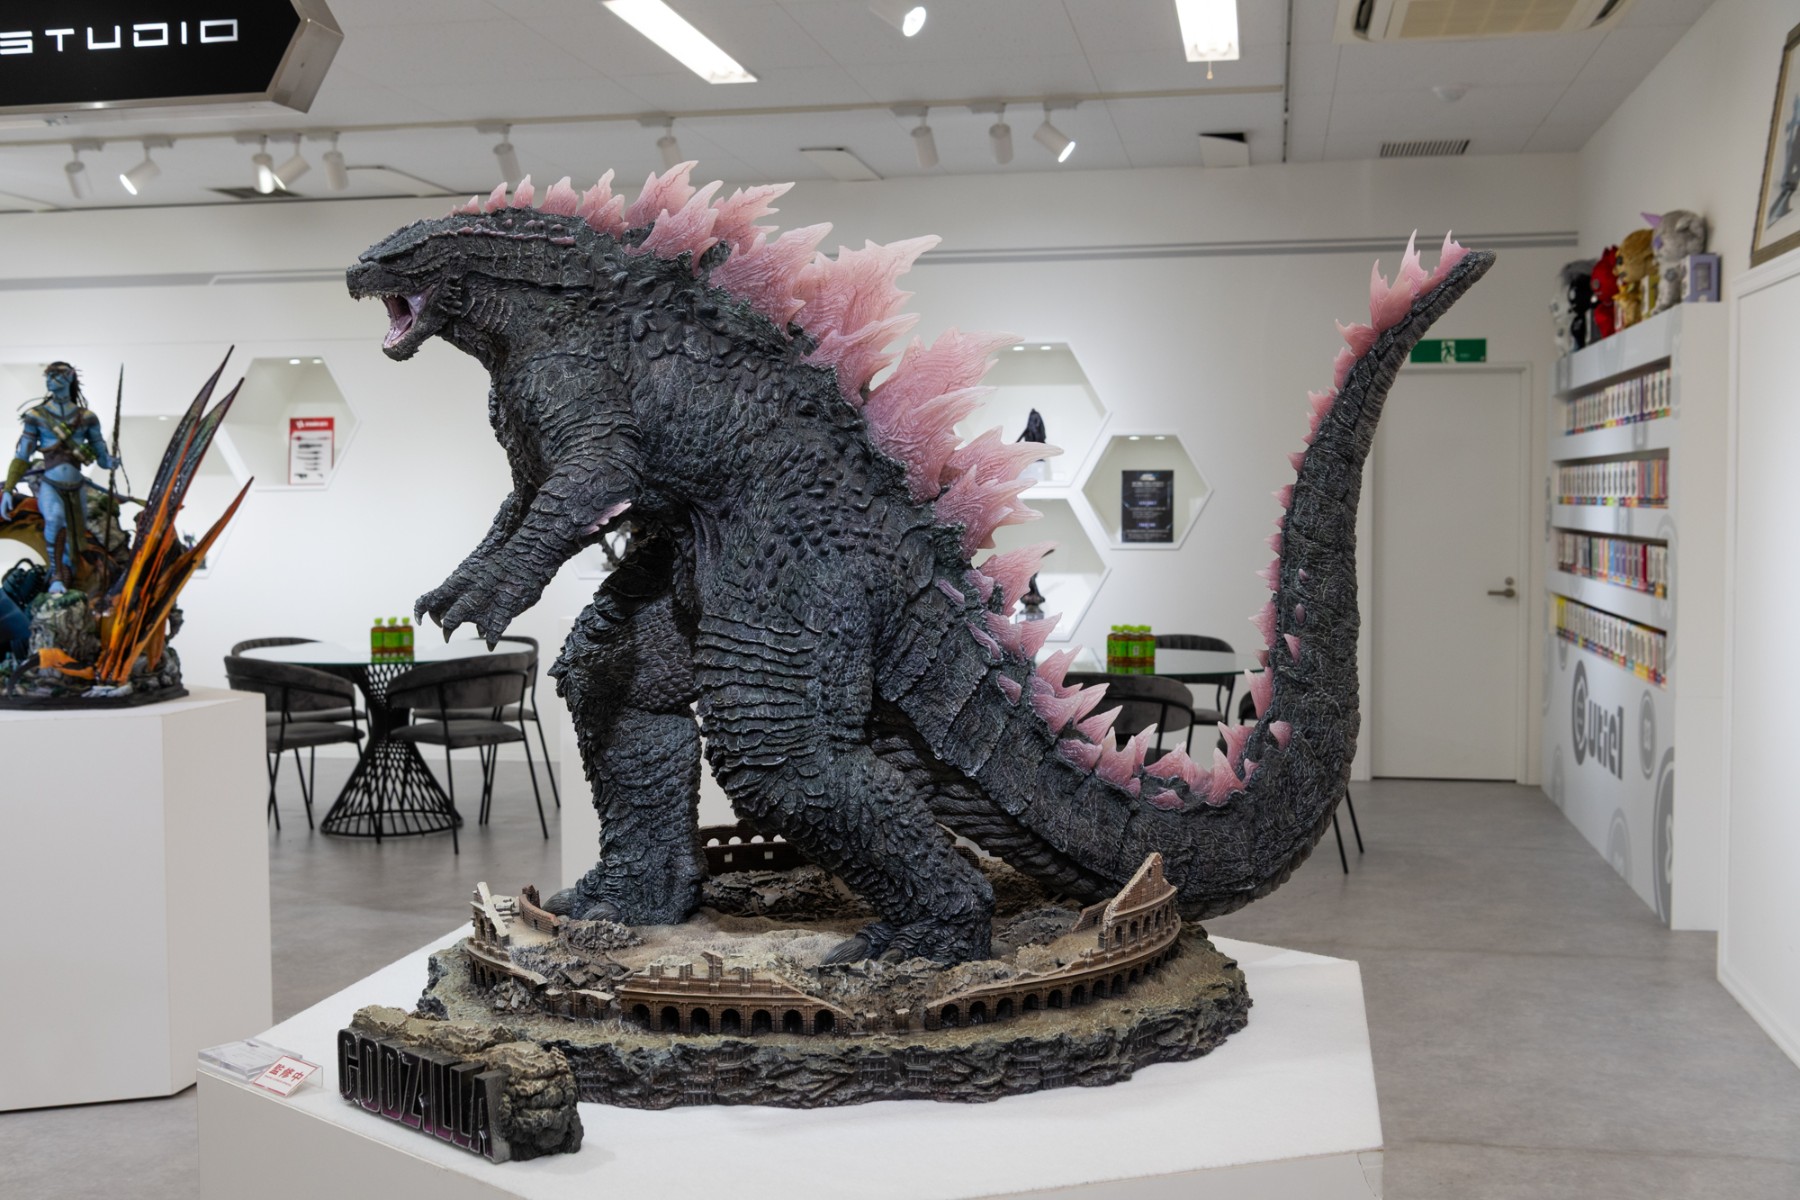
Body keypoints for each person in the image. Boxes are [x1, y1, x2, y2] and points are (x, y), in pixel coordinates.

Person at [1, 362, 117, 593]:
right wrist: (8, 489)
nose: (51, 379)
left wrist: (111, 462)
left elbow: (101, 456)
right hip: (51, 485)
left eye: (57, 375)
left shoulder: (87, 418)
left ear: (70, 377)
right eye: (49, 375)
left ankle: (69, 575)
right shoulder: (37, 416)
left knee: (76, 539)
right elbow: (22, 455)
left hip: (77, 487)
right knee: (54, 519)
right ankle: (56, 575)